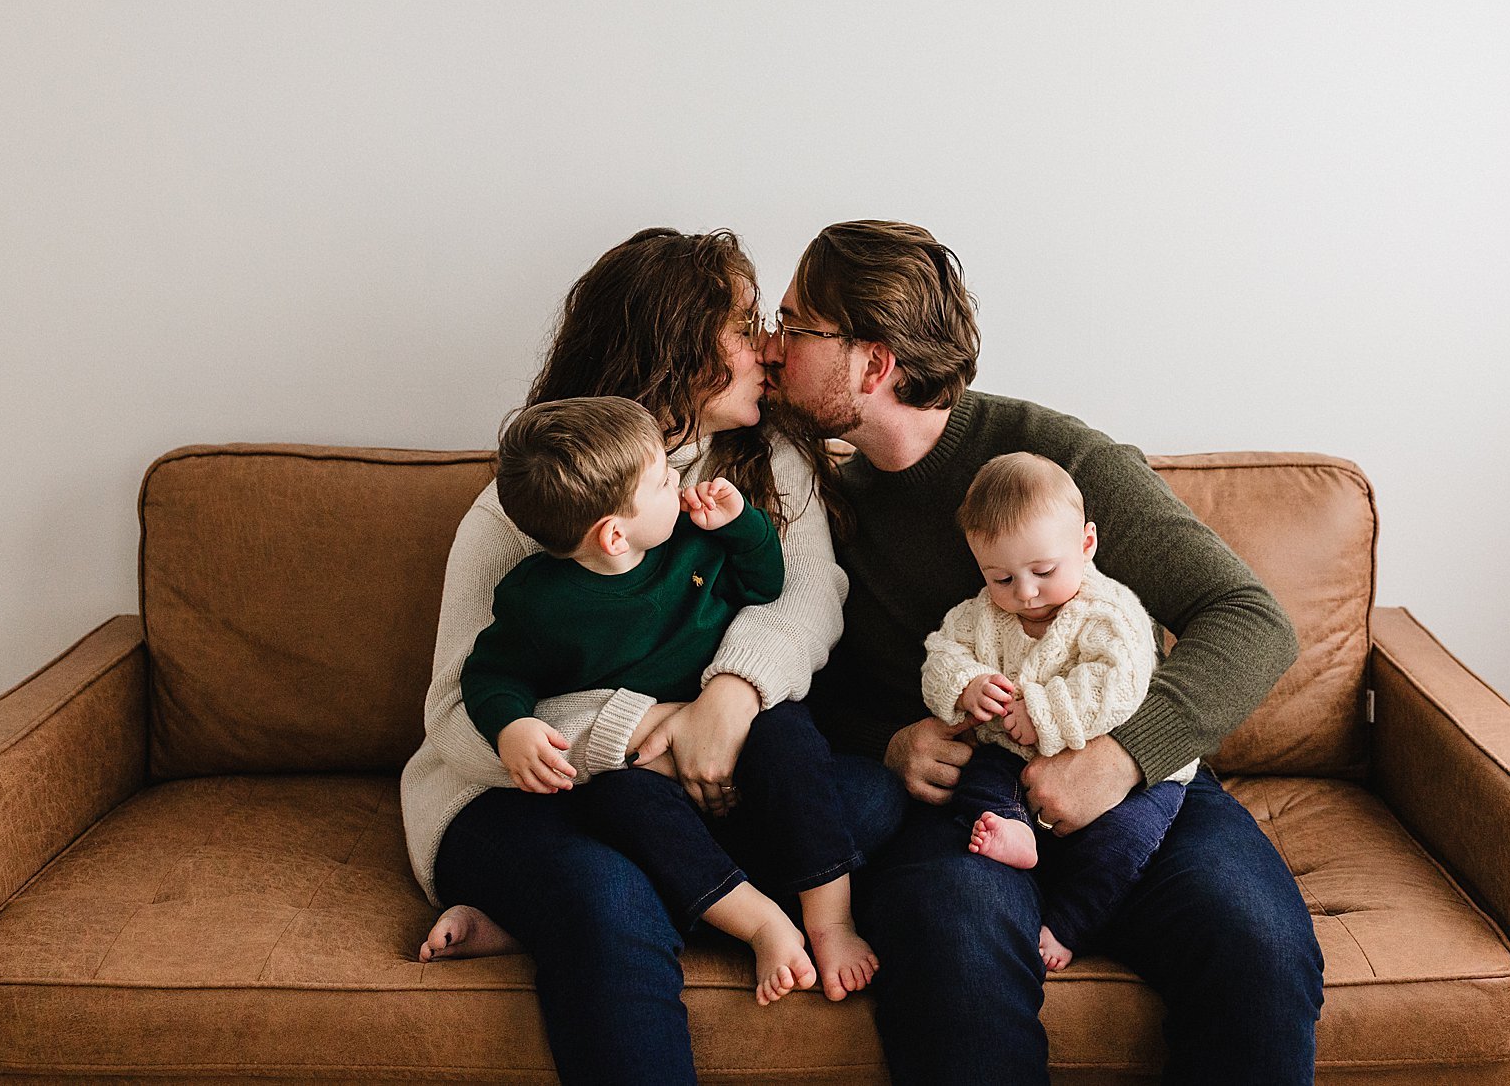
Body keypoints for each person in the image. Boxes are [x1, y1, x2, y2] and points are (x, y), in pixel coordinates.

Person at [762, 220, 1325, 1085]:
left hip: (1138, 785)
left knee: (1257, 946)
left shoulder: (1050, 460)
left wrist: (1121, 760)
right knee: (953, 957)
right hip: (965, 807)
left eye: (796, 327)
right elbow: (797, 680)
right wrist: (889, 742)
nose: (772, 347)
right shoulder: (810, 499)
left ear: (873, 366)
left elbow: (1250, 619)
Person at [399, 228, 906, 1085]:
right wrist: (641, 730)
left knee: (863, 802)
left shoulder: (770, 463)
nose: (769, 350)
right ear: (674, 350)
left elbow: (804, 596)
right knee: (606, 899)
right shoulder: (525, 507)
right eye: (745, 329)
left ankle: (547, 914)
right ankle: (607, 903)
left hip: (694, 783)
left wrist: (729, 701)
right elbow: (459, 713)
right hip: (519, 798)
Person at [457, 395, 875, 1005]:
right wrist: (511, 726)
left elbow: (767, 583)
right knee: (619, 809)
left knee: (793, 738)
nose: (681, 481)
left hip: (738, 736)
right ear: (613, 534)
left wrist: (741, 525)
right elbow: (490, 674)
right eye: (662, 479)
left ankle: (831, 920)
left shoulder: (695, 544)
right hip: (643, 769)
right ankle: (761, 922)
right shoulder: (536, 603)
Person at [921, 451, 1192, 972]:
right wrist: (965, 685)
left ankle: (1069, 924)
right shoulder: (980, 615)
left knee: (1124, 842)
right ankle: (1011, 827)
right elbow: (942, 655)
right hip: (1008, 754)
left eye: (1043, 571)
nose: (1024, 593)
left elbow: (1118, 684)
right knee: (975, 784)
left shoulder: (1108, 612)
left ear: (1086, 545)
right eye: (1000, 578)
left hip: (1127, 769)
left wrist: (1042, 712)